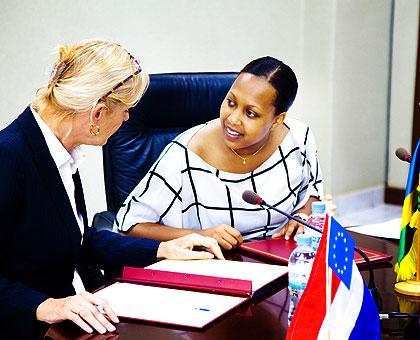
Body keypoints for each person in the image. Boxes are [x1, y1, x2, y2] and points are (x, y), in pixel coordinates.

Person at [0, 39, 224, 340]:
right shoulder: (8, 156)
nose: (127, 118)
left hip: (72, 321)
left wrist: (163, 249)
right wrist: (45, 305)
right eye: (126, 110)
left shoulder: (57, 149)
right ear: (98, 114)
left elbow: (77, 238)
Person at [115, 56, 323, 250]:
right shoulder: (185, 154)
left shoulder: (298, 137)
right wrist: (201, 235)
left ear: (277, 120)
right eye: (231, 102)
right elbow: (128, 227)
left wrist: (303, 216)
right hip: (214, 268)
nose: (232, 119)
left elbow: (312, 193)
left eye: (250, 113)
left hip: (280, 260)